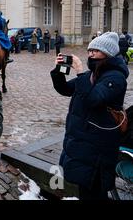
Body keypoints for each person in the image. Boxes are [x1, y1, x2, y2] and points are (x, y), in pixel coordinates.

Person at [50, 32, 129, 200]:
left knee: (94, 189)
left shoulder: (115, 77)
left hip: (98, 145)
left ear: (108, 53)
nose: (91, 53)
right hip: (83, 142)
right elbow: (65, 89)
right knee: (84, 188)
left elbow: (94, 99)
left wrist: (79, 72)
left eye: (96, 50)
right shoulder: (91, 75)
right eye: (90, 49)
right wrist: (59, 71)